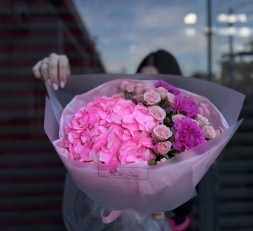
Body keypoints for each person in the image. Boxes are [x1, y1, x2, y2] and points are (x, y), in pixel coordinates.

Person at [32, 50, 193, 231]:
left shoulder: (184, 137)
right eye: (142, 81)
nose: (149, 90)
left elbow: (183, 208)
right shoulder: (119, 116)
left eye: (156, 84)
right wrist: (57, 76)